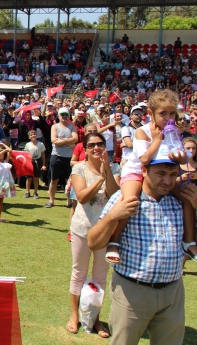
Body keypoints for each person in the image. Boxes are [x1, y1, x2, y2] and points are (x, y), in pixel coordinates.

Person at [88, 149, 197, 345]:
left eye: (173, 175)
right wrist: (113, 216)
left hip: (173, 291)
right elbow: (93, 242)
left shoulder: (181, 201)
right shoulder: (126, 198)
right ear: (144, 171)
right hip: (132, 292)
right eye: (161, 174)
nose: (168, 181)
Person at [108, 90, 197, 263]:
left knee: (187, 197)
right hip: (136, 172)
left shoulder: (174, 132)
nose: (168, 118)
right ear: (151, 114)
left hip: (160, 175)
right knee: (130, 200)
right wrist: (157, 139)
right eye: (163, 113)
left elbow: (175, 156)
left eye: (172, 113)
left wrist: (178, 158)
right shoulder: (142, 131)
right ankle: (114, 240)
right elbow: (145, 159)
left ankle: (189, 241)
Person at [67, 133, 119, 338]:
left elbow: (115, 195)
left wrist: (107, 170)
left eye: (100, 144)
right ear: (85, 149)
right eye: (91, 145)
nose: (96, 148)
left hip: (105, 231)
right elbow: (82, 196)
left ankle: (95, 318)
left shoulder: (114, 168)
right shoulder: (78, 168)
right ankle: (74, 315)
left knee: (100, 276)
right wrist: (100, 179)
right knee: (78, 272)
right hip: (82, 228)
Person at [45, 107, 77, 208]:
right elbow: (54, 140)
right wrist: (69, 143)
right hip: (56, 157)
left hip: (69, 158)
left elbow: (75, 139)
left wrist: (61, 142)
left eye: (66, 114)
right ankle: (51, 201)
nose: (64, 116)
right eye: (62, 114)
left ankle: (69, 201)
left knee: (69, 180)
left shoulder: (72, 126)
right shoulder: (54, 126)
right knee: (54, 180)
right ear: (58, 116)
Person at [24, 130, 46, 198]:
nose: (33, 135)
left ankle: (35, 192)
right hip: (30, 162)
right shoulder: (27, 145)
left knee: (36, 178)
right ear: (29, 137)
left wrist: (44, 164)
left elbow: (43, 155)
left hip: (38, 162)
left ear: (36, 135)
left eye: (34, 134)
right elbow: (25, 154)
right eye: (31, 135)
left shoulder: (41, 144)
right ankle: (27, 192)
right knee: (29, 178)